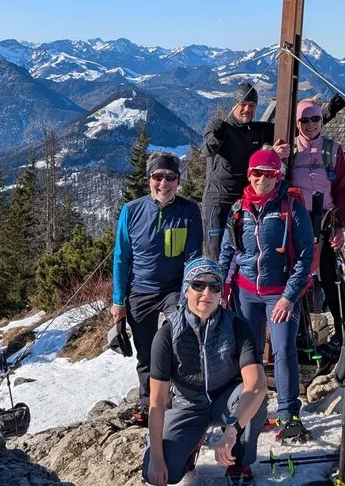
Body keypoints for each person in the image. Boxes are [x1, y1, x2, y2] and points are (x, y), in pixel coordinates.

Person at [141, 259, 268, 486]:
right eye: (198, 285)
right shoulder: (167, 335)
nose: (206, 293)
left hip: (226, 398)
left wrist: (230, 432)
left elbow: (256, 385)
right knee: (163, 472)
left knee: (254, 402)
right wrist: (157, 459)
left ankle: (240, 461)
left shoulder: (237, 327)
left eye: (214, 286)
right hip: (188, 404)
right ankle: (188, 445)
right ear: (186, 290)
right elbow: (157, 401)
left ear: (221, 293)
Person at [218, 148, 314, 441]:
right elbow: (227, 252)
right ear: (249, 175)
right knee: (250, 353)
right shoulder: (238, 210)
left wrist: (289, 296)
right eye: (257, 173)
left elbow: (306, 255)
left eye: (269, 173)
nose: (263, 179)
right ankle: (252, 409)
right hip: (246, 292)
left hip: (280, 294)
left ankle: (288, 413)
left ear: (278, 176)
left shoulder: (291, 208)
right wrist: (221, 289)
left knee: (284, 351)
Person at [111, 152, 204, 425]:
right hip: (139, 291)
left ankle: (184, 399)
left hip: (174, 290)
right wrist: (119, 300)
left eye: (171, 177)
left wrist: (191, 293)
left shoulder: (189, 211)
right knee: (146, 352)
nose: (164, 183)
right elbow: (121, 258)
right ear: (148, 179)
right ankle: (148, 405)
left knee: (182, 340)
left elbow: (193, 257)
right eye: (158, 177)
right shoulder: (131, 211)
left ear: (178, 180)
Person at [288, 97, 345, 348]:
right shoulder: (289, 150)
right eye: (304, 119)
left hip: (325, 222)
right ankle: (300, 331)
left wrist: (340, 226)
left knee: (329, 276)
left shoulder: (333, 150)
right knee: (298, 276)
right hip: (297, 223)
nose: (311, 124)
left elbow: (342, 190)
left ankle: (343, 331)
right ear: (297, 122)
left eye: (315, 118)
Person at [201, 82, 283, 261]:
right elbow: (207, 149)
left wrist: (327, 112)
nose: (247, 109)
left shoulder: (257, 131)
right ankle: (213, 288)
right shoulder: (220, 125)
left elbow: (294, 129)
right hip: (218, 203)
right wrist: (217, 136)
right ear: (234, 105)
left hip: (245, 202)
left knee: (241, 254)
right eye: (243, 105)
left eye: (252, 105)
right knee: (215, 256)